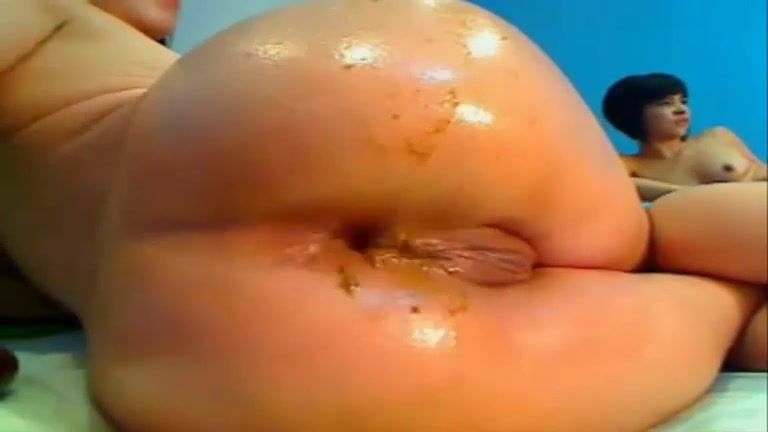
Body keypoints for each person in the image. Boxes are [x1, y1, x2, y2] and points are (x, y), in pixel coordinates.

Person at [0, 1, 764, 431]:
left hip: (215, 332)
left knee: (706, 301)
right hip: (355, 95)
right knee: (650, 247)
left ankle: (727, 301)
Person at [602, 73, 767, 202]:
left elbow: (761, 170)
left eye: (683, 101)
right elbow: (619, 185)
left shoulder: (718, 136)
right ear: (633, 115)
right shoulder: (631, 165)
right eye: (666, 103)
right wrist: (692, 194)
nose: (681, 109)